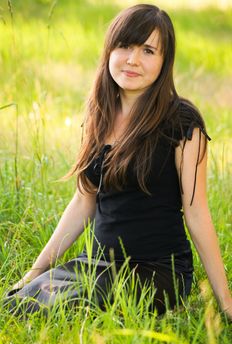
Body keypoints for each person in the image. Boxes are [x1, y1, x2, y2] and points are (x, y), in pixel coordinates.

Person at [5, 4, 232, 319]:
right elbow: (83, 202)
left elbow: (197, 213)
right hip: (94, 264)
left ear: (165, 62)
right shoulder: (99, 114)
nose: (133, 60)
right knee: (17, 303)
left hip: (156, 270)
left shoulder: (181, 122)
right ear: (109, 50)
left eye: (148, 50)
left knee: (68, 309)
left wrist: (227, 303)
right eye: (125, 46)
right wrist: (35, 271)